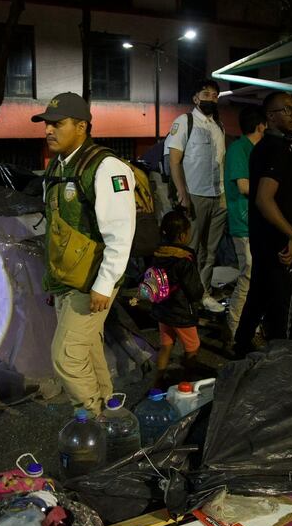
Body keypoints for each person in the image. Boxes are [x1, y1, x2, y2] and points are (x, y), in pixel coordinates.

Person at [34, 92, 136, 415]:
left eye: (58, 124)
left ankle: (93, 418)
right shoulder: (56, 168)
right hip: (66, 278)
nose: (49, 130)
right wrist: (53, 284)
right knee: (88, 349)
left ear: (82, 126)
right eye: (47, 124)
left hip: (93, 278)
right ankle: (109, 409)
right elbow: (55, 229)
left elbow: (121, 233)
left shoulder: (106, 167)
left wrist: (104, 284)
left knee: (66, 356)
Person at [232, 93, 292, 355]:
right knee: (281, 307)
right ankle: (280, 362)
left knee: (258, 296)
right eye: (287, 110)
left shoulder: (262, 147)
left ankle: (240, 349)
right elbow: (263, 199)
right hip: (278, 243)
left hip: (263, 239)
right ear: (270, 117)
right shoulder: (277, 149)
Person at [164, 79, 227, 313]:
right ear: (195, 98)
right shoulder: (184, 121)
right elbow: (174, 160)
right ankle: (182, 296)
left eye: (214, 95)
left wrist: (225, 197)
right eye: (206, 94)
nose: (210, 98)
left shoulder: (219, 126)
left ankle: (203, 294)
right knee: (189, 249)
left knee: (210, 251)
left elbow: (222, 162)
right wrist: (182, 194)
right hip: (195, 195)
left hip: (218, 196)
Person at [223, 106, 266, 340]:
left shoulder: (252, 148)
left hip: (253, 222)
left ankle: (249, 324)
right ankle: (235, 326)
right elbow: (243, 186)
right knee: (248, 274)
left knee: (255, 276)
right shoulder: (240, 149)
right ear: (261, 125)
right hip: (243, 222)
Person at [149, 211, 204, 385]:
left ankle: (157, 380)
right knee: (192, 347)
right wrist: (199, 297)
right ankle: (187, 382)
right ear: (182, 236)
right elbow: (194, 290)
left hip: (162, 308)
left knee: (166, 345)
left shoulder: (157, 253)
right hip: (181, 312)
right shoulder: (184, 260)